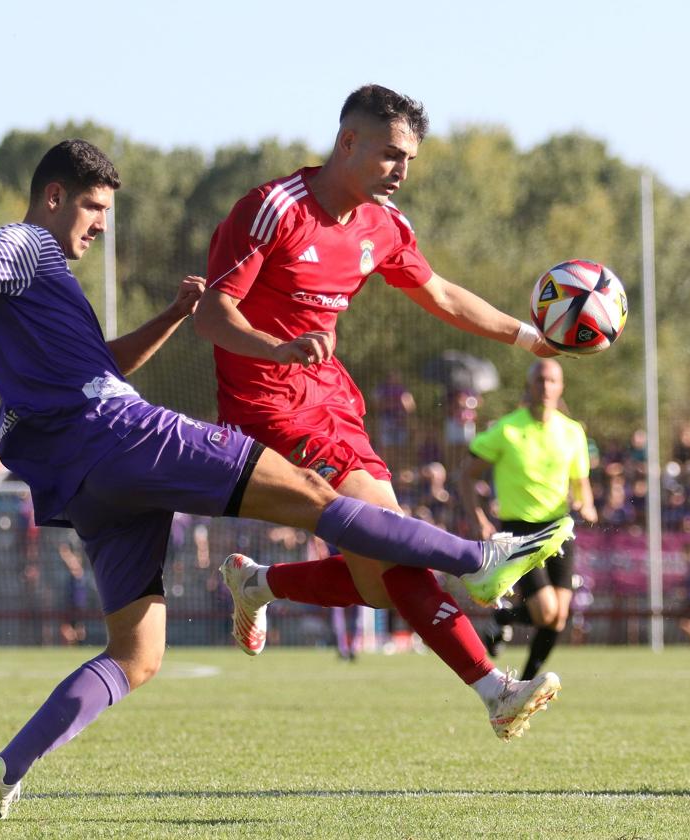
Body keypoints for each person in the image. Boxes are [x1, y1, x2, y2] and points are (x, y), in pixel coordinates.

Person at [0, 139, 573, 819]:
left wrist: (173, 316)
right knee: (314, 495)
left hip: (85, 480)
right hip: (122, 436)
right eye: (93, 207)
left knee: (137, 652)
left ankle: (1, 771)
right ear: (55, 196)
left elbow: (103, 363)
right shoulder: (28, 245)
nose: (100, 224)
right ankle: (476, 561)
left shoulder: (44, 284)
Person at [195, 83, 568, 722]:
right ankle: (483, 618)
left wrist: (526, 336)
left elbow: (443, 295)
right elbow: (211, 314)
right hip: (267, 401)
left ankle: (257, 582)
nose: (401, 172)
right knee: (389, 547)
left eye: (410, 161)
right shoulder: (273, 208)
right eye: (392, 154)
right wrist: (277, 349)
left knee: (378, 579)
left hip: (333, 397)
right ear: (348, 142)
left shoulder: (384, 226)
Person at [460, 359, 597, 680]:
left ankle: (522, 679)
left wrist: (586, 504)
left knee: (558, 618)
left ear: (561, 387)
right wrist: (478, 517)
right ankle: (511, 649)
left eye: (552, 381)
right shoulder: (507, 429)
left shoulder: (572, 431)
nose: (546, 387)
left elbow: (581, 484)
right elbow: (466, 476)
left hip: (560, 529)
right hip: (520, 531)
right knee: (547, 610)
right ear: (529, 385)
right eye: (540, 380)